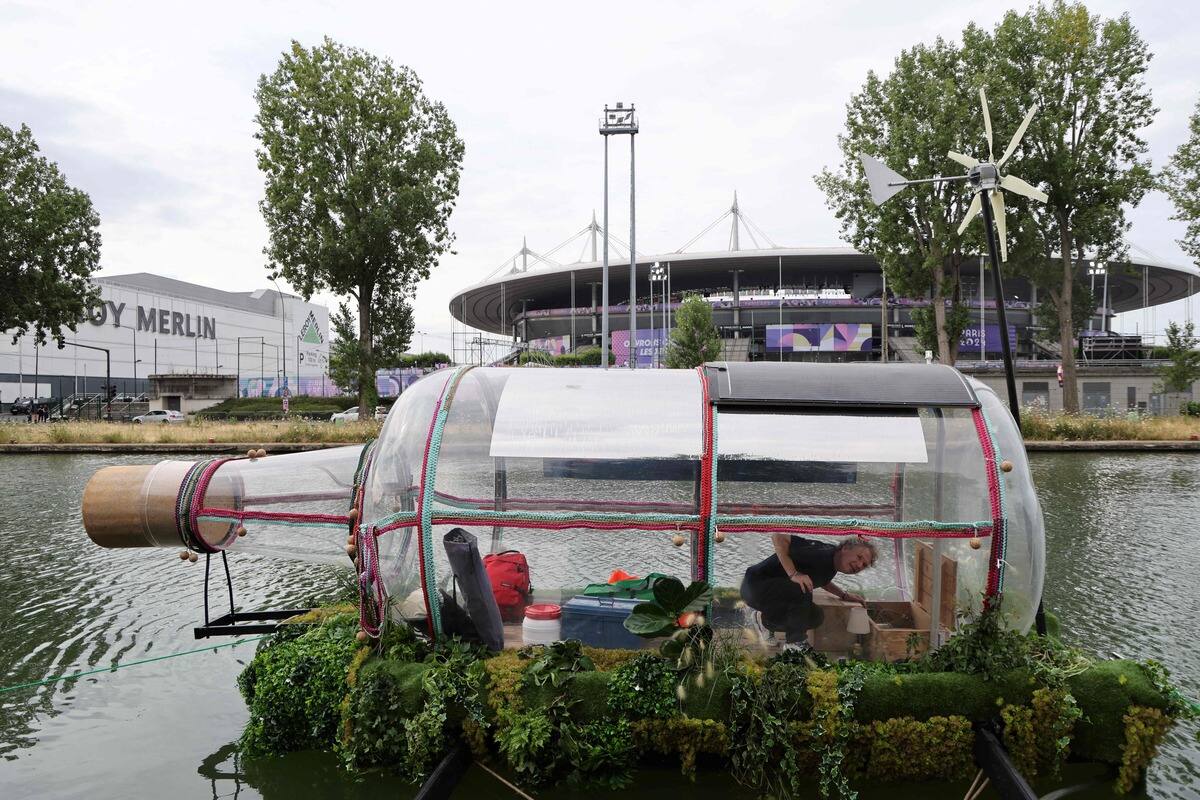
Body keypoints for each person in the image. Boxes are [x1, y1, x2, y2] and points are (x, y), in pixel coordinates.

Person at [740, 535, 877, 649]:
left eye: (864, 565)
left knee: (815, 617)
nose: (859, 566)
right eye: (859, 557)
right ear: (846, 548)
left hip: (773, 593)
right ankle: (795, 642)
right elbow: (778, 536)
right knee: (802, 587)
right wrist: (793, 574)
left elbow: (823, 580)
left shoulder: (831, 563)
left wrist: (844, 595)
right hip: (755, 586)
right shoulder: (819, 552)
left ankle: (764, 619)